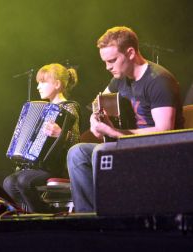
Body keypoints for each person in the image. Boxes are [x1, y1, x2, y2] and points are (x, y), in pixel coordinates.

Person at [67, 26, 184, 213]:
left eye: (112, 60)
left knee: (102, 151)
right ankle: (88, 217)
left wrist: (115, 133)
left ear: (130, 53)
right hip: (126, 147)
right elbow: (97, 103)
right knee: (77, 152)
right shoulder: (119, 79)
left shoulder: (159, 80)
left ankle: (111, 216)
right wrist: (94, 120)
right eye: (105, 61)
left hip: (157, 153)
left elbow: (164, 131)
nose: (107, 67)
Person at [3, 63, 81, 213]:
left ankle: (44, 215)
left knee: (24, 181)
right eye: (38, 83)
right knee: (9, 182)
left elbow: (76, 142)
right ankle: (30, 214)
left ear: (57, 84)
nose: (38, 87)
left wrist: (61, 134)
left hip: (58, 165)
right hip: (38, 166)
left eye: (43, 82)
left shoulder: (69, 108)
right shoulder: (43, 109)